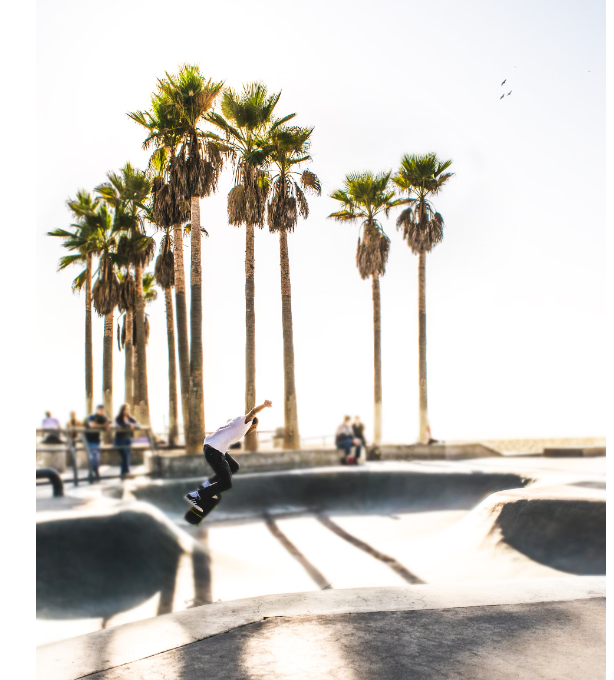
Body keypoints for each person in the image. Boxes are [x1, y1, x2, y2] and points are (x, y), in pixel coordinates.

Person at [185, 400, 273, 517]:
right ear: (252, 424)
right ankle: (196, 496)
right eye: (255, 427)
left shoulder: (237, 424)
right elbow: (253, 412)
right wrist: (264, 406)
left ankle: (207, 485)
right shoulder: (246, 422)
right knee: (226, 483)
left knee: (234, 466)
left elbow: (226, 432)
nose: (253, 429)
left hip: (212, 448)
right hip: (213, 451)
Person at [84, 405, 110, 481]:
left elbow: (107, 428)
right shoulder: (92, 417)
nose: (102, 411)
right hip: (89, 440)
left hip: (97, 440)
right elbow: (91, 425)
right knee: (92, 457)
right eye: (100, 410)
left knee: (96, 458)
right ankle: (93, 474)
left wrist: (106, 424)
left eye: (103, 410)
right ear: (97, 410)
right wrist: (102, 425)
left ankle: (94, 474)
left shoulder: (104, 418)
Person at [114, 404, 139, 478]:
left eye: (127, 409)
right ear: (122, 410)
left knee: (126, 456)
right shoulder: (118, 418)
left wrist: (133, 425)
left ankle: (123, 473)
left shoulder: (131, 418)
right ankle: (127, 472)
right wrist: (129, 425)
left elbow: (138, 424)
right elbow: (119, 426)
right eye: (125, 409)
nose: (126, 411)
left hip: (128, 439)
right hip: (120, 439)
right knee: (124, 455)